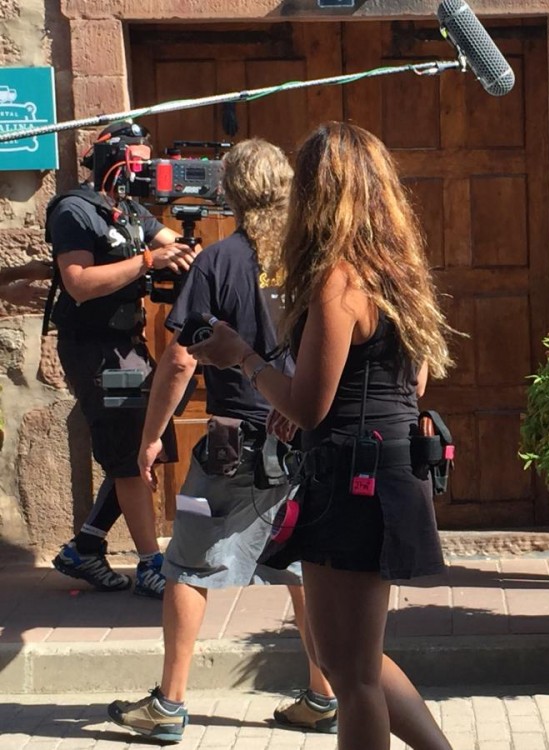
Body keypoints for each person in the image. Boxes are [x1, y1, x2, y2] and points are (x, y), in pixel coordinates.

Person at [189, 122, 452, 750]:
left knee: (350, 673)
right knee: (351, 660)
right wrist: (315, 401)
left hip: (352, 479)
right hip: (385, 468)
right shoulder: (396, 272)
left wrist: (241, 357)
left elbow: (309, 406)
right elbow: (411, 381)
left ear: (320, 194)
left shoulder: (339, 279)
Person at [107, 139, 337, 743]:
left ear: (230, 192)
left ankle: (170, 704)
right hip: (306, 436)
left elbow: (181, 360)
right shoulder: (318, 258)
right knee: (305, 569)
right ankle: (323, 695)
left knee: (186, 565)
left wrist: (152, 437)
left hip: (233, 441)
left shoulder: (219, 261)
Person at [47, 120, 198, 598]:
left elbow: (168, 240)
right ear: (114, 160)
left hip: (126, 346)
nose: (145, 173)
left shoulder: (128, 209)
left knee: (146, 440)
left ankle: (86, 546)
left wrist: (194, 251)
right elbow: (78, 283)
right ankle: (151, 563)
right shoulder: (75, 210)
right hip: (93, 347)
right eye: (139, 163)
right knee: (130, 451)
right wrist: (148, 262)